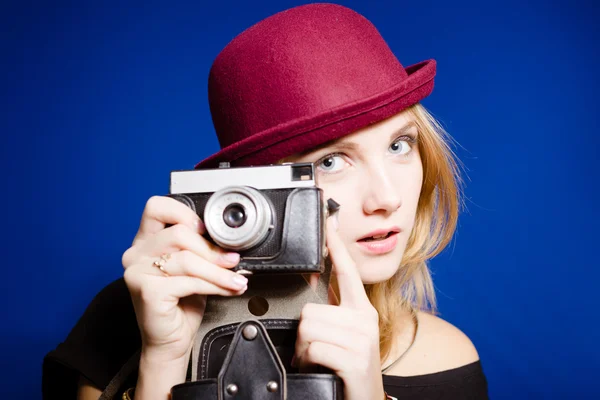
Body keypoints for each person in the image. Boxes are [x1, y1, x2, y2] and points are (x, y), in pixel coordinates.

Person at [43, 3, 488, 399]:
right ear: (250, 189)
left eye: (399, 145)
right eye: (332, 160)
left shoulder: (442, 358)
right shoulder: (129, 317)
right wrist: (163, 361)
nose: (387, 198)